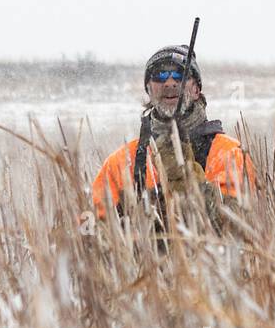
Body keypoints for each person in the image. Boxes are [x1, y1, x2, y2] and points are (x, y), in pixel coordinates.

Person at [92, 44, 255, 227]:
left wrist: (190, 184)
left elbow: (238, 228)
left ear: (196, 90)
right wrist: (141, 214)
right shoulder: (121, 162)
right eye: (160, 75)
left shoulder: (229, 154)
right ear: (149, 89)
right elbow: (92, 236)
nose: (170, 82)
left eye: (180, 74)